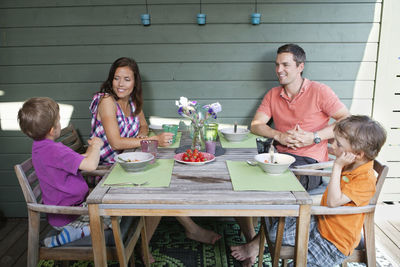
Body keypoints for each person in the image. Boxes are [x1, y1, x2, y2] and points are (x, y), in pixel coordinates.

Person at [90, 57, 221, 256]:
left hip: (130, 162)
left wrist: (143, 134)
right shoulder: (107, 101)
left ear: (135, 82)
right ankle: (154, 243)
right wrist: (152, 141)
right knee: (158, 189)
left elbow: (143, 125)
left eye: (127, 79)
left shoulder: (132, 101)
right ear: (111, 80)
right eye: (117, 78)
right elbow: (116, 142)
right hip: (107, 170)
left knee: (165, 176)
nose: (121, 84)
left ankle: (187, 230)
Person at [231, 115, 387, 266]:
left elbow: (333, 202)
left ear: (358, 155)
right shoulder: (353, 163)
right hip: (321, 223)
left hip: (333, 242)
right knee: (274, 233)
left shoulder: (364, 179)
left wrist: (337, 167)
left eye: (338, 144)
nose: (332, 145)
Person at [17, 97, 161, 253]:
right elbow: (90, 165)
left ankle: (78, 230)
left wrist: (91, 149)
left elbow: (80, 159)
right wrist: (97, 146)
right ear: (52, 129)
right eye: (58, 121)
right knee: (115, 214)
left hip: (62, 211)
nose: (60, 123)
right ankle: (79, 232)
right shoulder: (56, 150)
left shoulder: (40, 148)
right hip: (71, 214)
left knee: (113, 208)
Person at [251, 43, 350, 191]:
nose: (279, 70)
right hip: (278, 157)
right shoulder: (273, 94)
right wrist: (279, 135)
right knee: (252, 178)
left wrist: (314, 136)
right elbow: (256, 125)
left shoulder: (320, 91)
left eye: (285, 65)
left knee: (275, 186)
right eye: (277, 65)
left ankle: (286, 214)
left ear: (300, 67)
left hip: (309, 164)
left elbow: (347, 120)